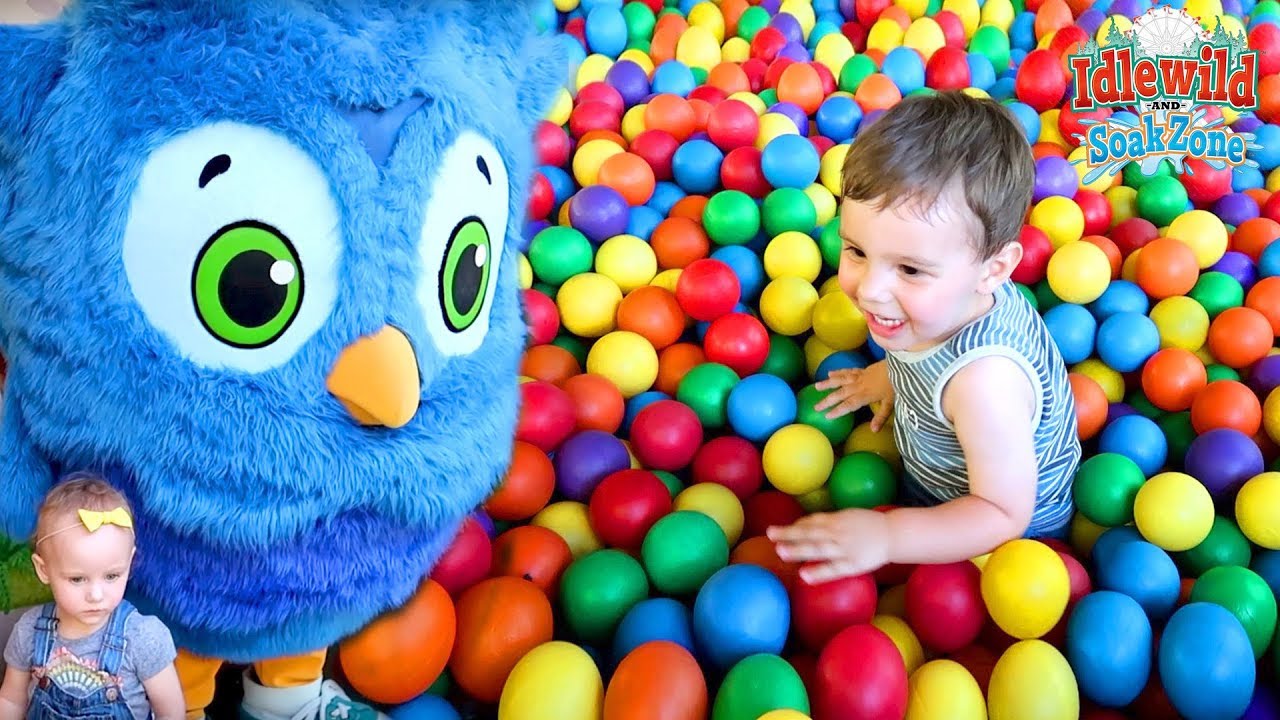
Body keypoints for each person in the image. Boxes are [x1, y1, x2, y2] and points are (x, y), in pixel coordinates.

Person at [768, 91, 1081, 585]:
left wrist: (888, 535)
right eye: (856, 251)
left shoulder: (984, 383)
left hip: (998, 543)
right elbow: (923, 345)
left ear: (993, 270)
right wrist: (885, 378)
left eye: (910, 269)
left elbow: (1003, 512)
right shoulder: (938, 303)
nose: (869, 290)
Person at [0, 473, 185, 720]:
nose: (96, 595)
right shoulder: (29, 631)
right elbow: (11, 699)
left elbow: (170, 713)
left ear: (129, 562)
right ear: (43, 570)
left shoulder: (143, 637)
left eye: (112, 576)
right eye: (77, 579)